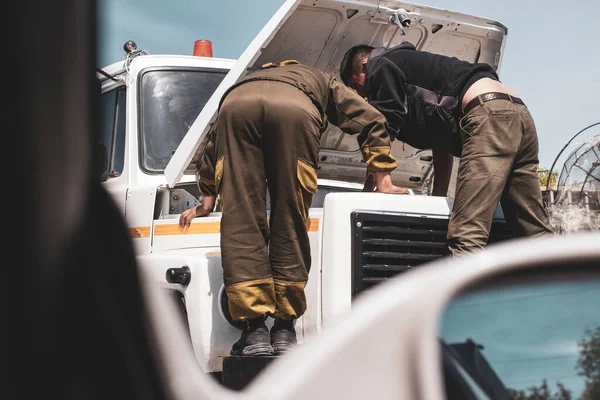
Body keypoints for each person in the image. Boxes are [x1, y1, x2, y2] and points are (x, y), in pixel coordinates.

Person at [179, 60, 408, 357]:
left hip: (235, 107)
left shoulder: (248, 78)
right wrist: (383, 178)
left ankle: (254, 332)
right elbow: (370, 120)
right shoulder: (322, 79)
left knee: (241, 218)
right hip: (295, 110)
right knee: (291, 217)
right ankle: (285, 329)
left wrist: (207, 197)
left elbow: (213, 144)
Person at [339, 42, 554, 256]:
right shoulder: (412, 70)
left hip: (488, 113)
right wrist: (438, 197)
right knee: (533, 231)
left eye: (353, 84)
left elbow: (381, 126)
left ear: (364, 66)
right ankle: (567, 283)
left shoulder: (381, 65)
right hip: (517, 113)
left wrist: (380, 185)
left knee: (467, 237)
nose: (358, 93)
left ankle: (461, 291)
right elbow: (441, 143)